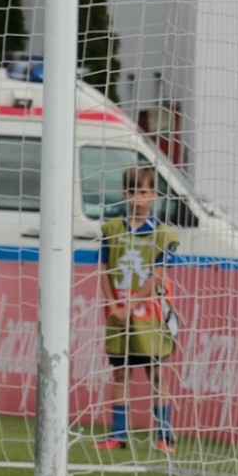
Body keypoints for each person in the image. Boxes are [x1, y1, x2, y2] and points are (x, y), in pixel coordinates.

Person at [95, 164, 180, 454]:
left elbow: (157, 276)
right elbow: (103, 270)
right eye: (132, 192)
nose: (137, 198)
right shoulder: (111, 229)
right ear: (124, 193)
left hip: (149, 315)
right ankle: (118, 435)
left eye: (143, 192)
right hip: (118, 313)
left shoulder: (163, 234)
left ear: (152, 194)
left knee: (156, 374)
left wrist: (132, 305)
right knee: (120, 373)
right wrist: (113, 305)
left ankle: (164, 436)